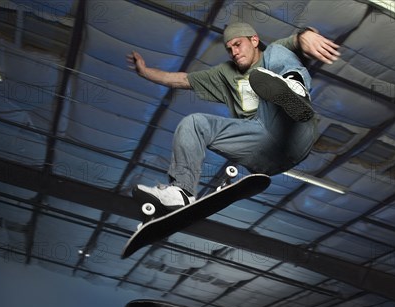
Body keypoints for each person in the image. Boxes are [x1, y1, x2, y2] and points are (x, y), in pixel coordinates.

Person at [127, 22, 340, 209]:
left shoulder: (274, 53)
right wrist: (144, 71)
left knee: (273, 55)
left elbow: (300, 39)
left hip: (295, 132)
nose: (234, 52)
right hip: (261, 151)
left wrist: (307, 34)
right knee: (193, 123)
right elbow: (182, 80)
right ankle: (182, 192)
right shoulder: (224, 74)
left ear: (254, 40)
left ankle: (293, 91)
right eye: (229, 49)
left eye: (238, 44)